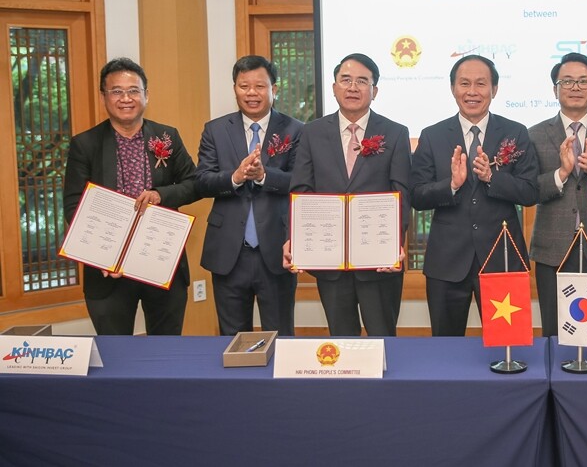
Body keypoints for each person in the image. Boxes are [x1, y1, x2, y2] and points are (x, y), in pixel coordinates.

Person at [63, 57, 199, 335]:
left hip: (160, 259)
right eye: (116, 91)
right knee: (115, 350)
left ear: (146, 95)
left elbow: (195, 183)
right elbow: (73, 205)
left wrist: (161, 195)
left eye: (133, 91)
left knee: (166, 348)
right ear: (103, 96)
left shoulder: (167, 136)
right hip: (109, 269)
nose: (126, 98)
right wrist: (100, 256)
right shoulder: (85, 144)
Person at [410, 55, 539, 336]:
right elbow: (417, 196)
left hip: (501, 258)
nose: (472, 91)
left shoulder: (515, 132)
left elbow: (530, 192)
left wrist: (493, 178)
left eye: (481, 84)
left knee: (508, 344)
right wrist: (451, 185)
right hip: (446, 261)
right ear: (453, 88)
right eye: (464, 83)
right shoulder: (432, 136)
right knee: (446, 346)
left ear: (494, 89)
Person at [284, 53, 411, 336]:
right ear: (334, 87)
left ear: (374, 91)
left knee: (383, 338)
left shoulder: (395, 133)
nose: (353, 87)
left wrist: (395, 243)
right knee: (341, 340)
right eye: (346, 80)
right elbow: (301, 190)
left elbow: (401, 194)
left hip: (378, 261)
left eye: (362, 81)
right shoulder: (312, 133)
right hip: (329, 261)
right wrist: (297, 239)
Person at [196, 55, 303, 336]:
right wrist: (236, 177)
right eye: (244, 86)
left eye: (260, 86)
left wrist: (264, 176)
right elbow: (202, 182)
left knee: (280, 337)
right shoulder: (215, 130)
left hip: (277, 249)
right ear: (235, 88)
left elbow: (302, 183)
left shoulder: (296, 130)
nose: (252, 93)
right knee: (233, 339)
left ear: (274, 89)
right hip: (228, 252)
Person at [527, 52, 587, 336]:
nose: (575, 87)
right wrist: (561, 173)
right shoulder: (533, 134)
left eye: (583, 82)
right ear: (555, 89)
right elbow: (528, 190)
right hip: (552, 248)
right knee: (554, 331)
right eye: (567, 81)